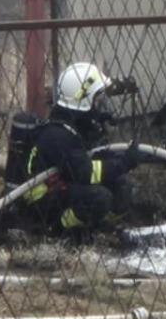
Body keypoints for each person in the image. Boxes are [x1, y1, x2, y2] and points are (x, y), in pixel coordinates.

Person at [19, 62, 140, 235]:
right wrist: (124, 162)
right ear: (84, 100)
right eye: (96, 100)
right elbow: (86, 172)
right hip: (42, 200)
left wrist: (98, 119)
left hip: (63, 185)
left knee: (122, 186)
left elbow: (88, 157)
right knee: (99, 198)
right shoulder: (59, 135)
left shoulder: (70, 123)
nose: (99, 104)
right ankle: (58, 230)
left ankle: (99, 227)